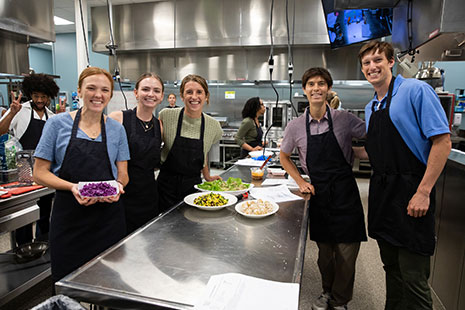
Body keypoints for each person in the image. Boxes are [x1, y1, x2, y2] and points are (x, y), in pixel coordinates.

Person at [359, 41, 451, 309]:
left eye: (378, 60)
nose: (372, 66)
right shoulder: (371, 107)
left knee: (413, 277)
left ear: (391, 62)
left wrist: (423, 192)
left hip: (411, 194)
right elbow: (380, 152)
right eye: (366, 63)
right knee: (391, 270)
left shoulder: (415, 90)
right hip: (383, 197)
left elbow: (442, 142)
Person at [280, 67, 367, 310]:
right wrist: (301, 182)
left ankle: (340, 301)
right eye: (311, 84)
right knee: (324, 255)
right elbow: (284, 156)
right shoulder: (295, 126)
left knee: (347, 255)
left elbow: (375, 135)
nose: (316, 88)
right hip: (319, 195)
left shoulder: (345, 119)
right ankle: (327, 292)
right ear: (304, 89)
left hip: (345, 192)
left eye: (321, 84)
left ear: (328, 89)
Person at [33, 67, 130, 283]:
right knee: (67, 282)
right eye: (91, 88)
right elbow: (39, 173)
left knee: (110, 282)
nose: (98, 95)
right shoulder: (57, 124)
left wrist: (118, 187)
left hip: (108, 219)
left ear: (110, 94)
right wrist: (72, 187)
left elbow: (123, 173)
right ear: (79, 91)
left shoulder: (116, 129)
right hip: (70, 219)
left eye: (105, 90)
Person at [0, 74, 63, 245]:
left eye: (43, 96)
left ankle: (44, 246)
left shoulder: (51, 115)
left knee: (44, 211)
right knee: (25, 214)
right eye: (36, 96)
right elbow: (1, 131)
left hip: (45, 168)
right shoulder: (20, 110)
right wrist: (11, 113)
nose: (40, 100)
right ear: (30, 94)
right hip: (24, 168)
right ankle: (24, 247)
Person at [158, 74, 222, 212]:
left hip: (192, 186)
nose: (194, 97)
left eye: (199, 92)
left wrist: (207, 176)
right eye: (189, 92)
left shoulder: (214, 126)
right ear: (182, 96)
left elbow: (203, 152)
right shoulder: (166, 116)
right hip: (165, 186)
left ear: (206, 96)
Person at [109, 73, 163, 234]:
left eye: (156, 91)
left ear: (161, 96)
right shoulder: (117, 118)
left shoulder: (159, 126)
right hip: (122, 195)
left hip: (149, 195)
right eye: (145, 89)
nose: (150, 94)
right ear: (136, 92)